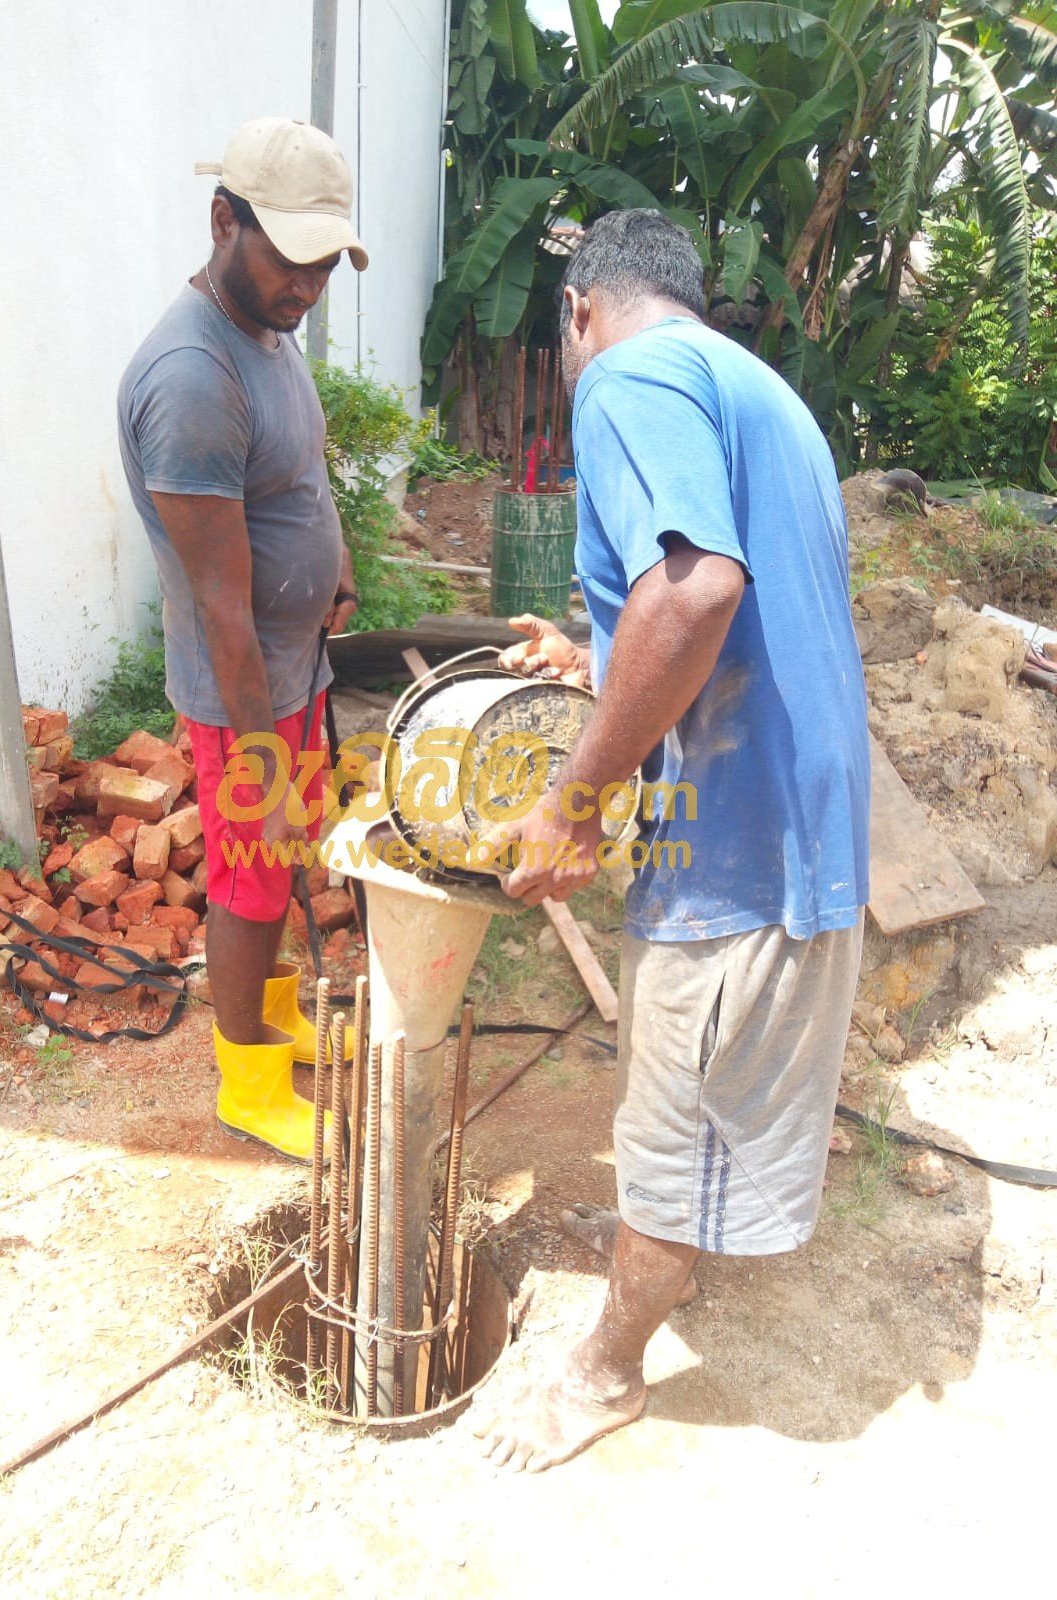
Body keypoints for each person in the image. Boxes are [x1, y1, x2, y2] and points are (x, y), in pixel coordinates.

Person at [476, 209, 870, 1471]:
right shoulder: (757, 390)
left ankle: (606, 1372)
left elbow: (696, 591)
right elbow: (727, 609)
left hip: (747, 836)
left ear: (581, 308)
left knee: (677, 1105)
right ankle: (672, 1230)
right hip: (800, 806)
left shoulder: (628, 376)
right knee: (695, 1099)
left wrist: (573, 800)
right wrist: (592, 656)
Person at [117, 118, 365, 1161]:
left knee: (277, 856)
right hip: (242, 685)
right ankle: (247, 1079)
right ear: (225, 220)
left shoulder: (267, 325)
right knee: (250, 871)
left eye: (325, 263)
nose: (308, 284)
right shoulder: (191, 378)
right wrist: (261, 756)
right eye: (290, 258)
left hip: (291, 663)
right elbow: (220, 604)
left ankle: (271, 1012)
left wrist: (334, 560)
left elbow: (301, 467)